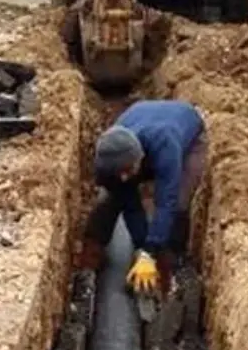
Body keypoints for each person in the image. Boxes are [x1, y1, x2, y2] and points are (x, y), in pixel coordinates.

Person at [80, 100, 208, 297]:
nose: (124, 178)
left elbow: (167, 201)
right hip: (141, 119)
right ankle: (90, 261)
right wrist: (141, 247)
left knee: (179, 204)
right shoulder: (109, 159)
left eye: (128, 171)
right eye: (119, 173)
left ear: (140, 158)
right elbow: (130, 205)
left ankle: (170, 267)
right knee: (110, 200)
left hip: (187, 134)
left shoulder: (166, 146)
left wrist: (152, 252)